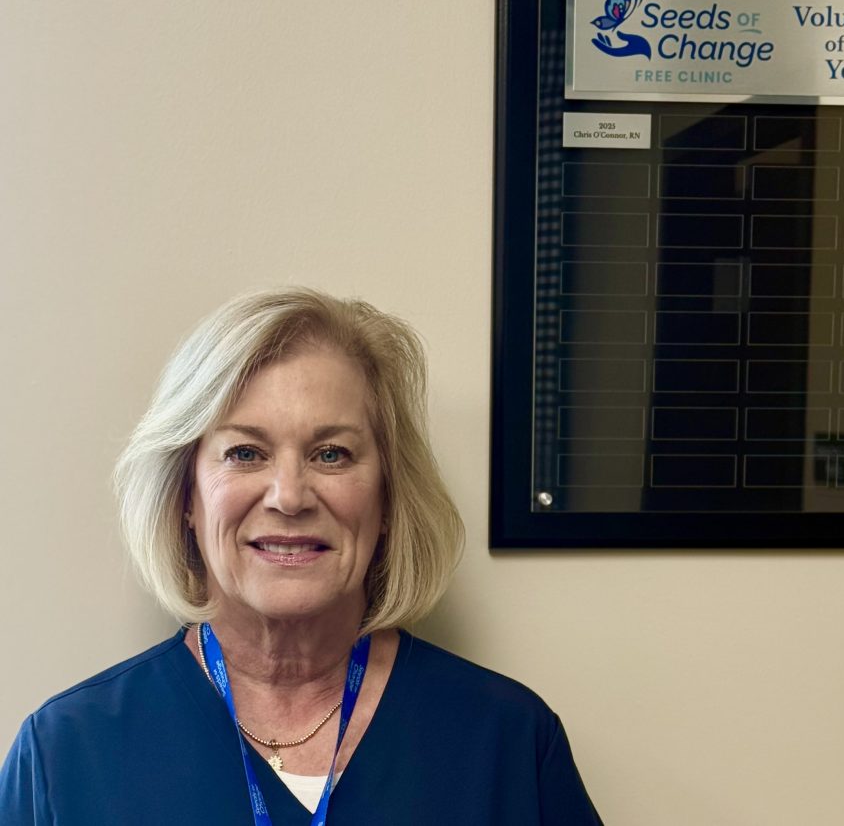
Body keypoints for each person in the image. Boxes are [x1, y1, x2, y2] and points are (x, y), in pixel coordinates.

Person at [0, 287, 601, 824]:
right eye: (245, 453)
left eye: (331, 454)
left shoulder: (508, 744)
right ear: (185, 496)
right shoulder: (65, 755)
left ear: (388, 498)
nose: (289, 497)